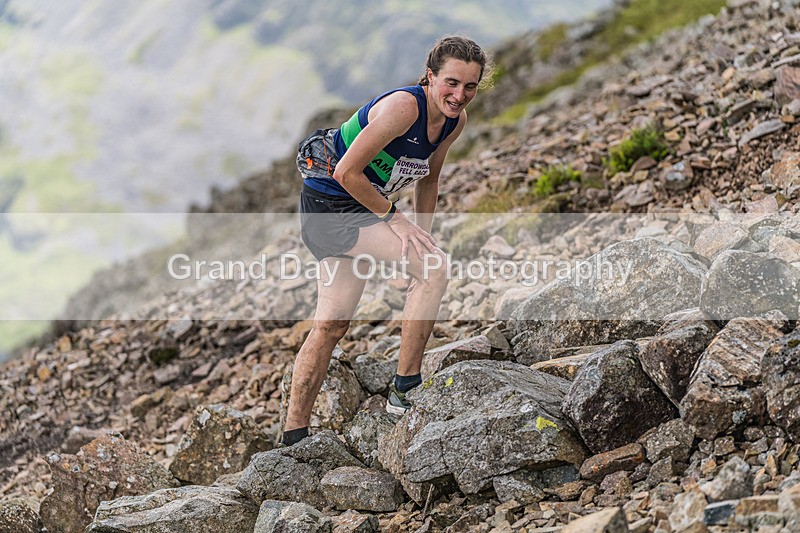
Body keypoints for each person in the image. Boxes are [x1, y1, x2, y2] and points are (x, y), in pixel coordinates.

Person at [282, 36, 490, 447]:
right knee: (434, 271)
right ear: (429, 76)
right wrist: (398, 222)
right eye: (451, 82)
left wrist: (422, 232)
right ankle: (405, 391)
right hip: (329, 206)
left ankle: (293, 436)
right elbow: (346, 173)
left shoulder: (454, 121)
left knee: (331, 324)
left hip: (357, 209)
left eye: (470, 87)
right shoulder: (402, 108)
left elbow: (429, 177)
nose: (459, 95)